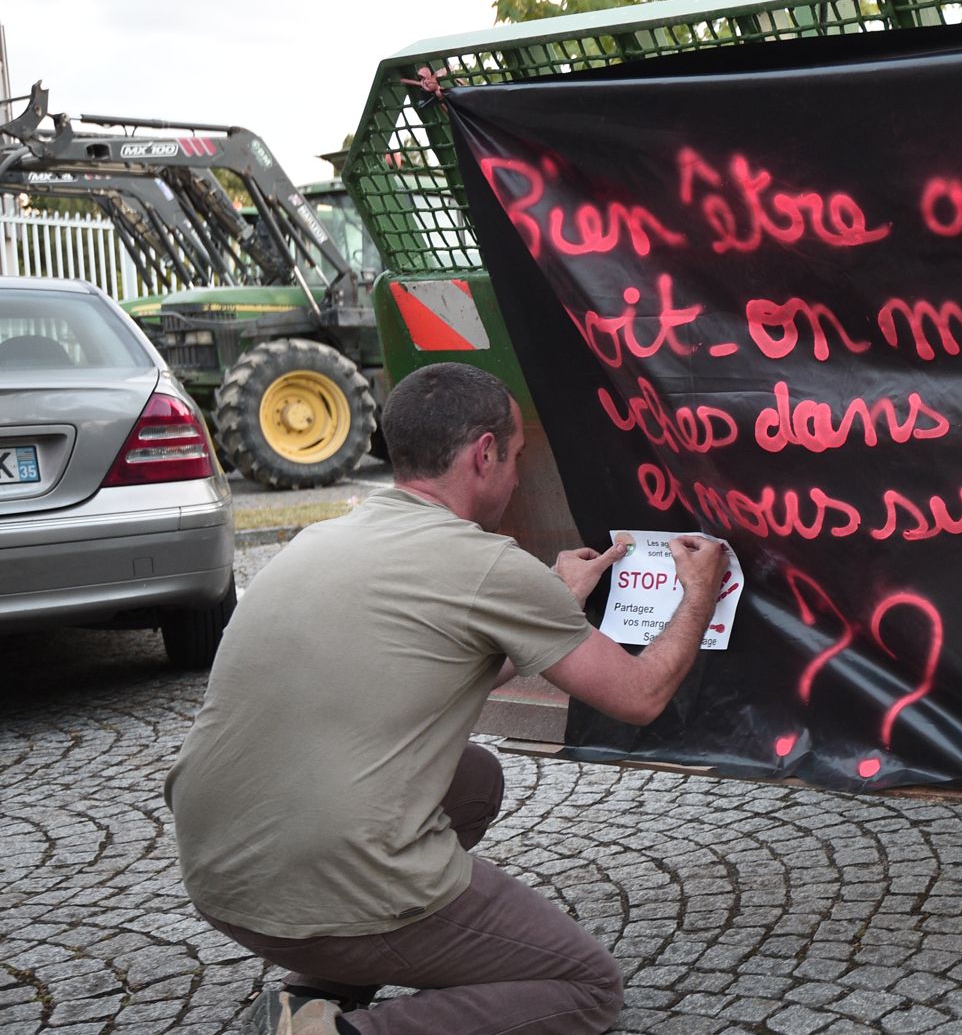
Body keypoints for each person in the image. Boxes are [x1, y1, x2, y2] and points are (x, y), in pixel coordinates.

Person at [166, 362, 727, 1035]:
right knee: (584, 987)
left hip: (218, 876)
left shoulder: (324, 536)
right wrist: (699, 593)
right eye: (517, 457)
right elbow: (639, 697)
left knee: (473, 779)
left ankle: (314, 992)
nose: (518, 475)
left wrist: (552, 605)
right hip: (316, 878)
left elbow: (436, 662)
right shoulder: (488, 565)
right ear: (484, 454)